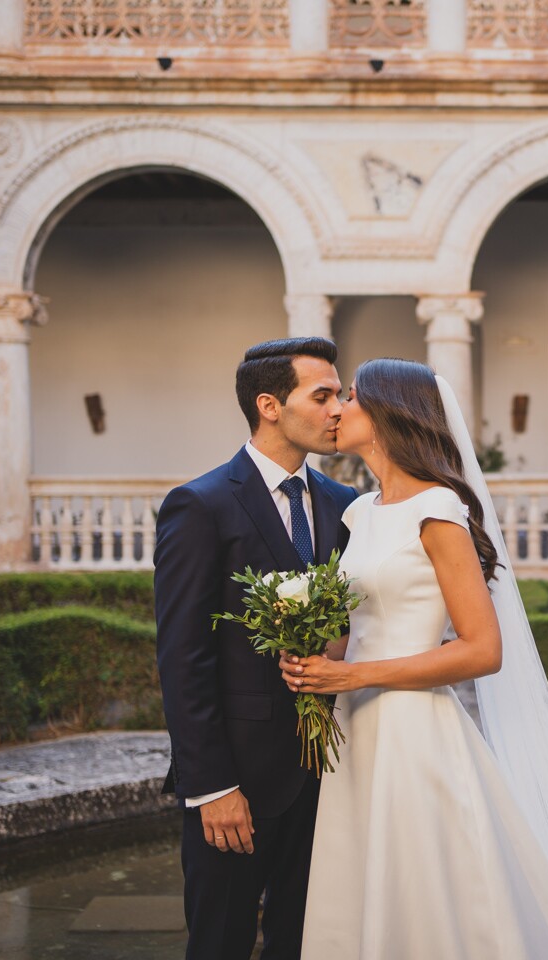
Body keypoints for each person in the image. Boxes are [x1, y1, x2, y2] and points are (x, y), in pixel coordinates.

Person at [280, 358, 548, 959]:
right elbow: (361, 625)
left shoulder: (437, 511)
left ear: (387, 413)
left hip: (413, 728)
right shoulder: (360, 511)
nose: (338, 410)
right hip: (355, 725)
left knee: (426, 888)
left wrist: (351, 675)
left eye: (350, 397)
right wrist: (311, 651)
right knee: (364, 882)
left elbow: (483, 649)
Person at [154, 337, 358, 960]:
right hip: (237, 780)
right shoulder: (201, 504)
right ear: (269, 405)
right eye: (321, 396)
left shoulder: (347, 507)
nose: (338, 409)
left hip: (331, 778)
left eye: (339, 395)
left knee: (305, 944)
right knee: (220, 943)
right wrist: (211, 786)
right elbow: (183, 658)